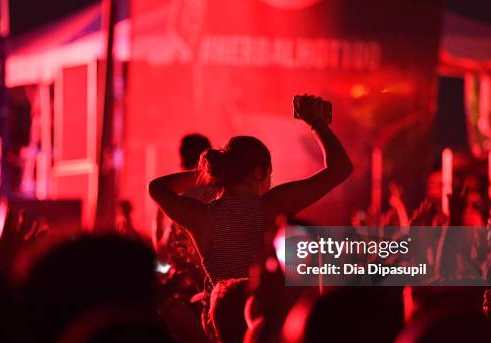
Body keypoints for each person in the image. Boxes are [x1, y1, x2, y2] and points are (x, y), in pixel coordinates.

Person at [149, 95, 353, 283]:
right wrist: (316, 122)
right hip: (265, 315)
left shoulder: (201, 217)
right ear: (258, 173)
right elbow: (340, 168)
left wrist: (209, 174)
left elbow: (157, 187)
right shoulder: (272, 206)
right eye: (269, 173)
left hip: (222, 315)